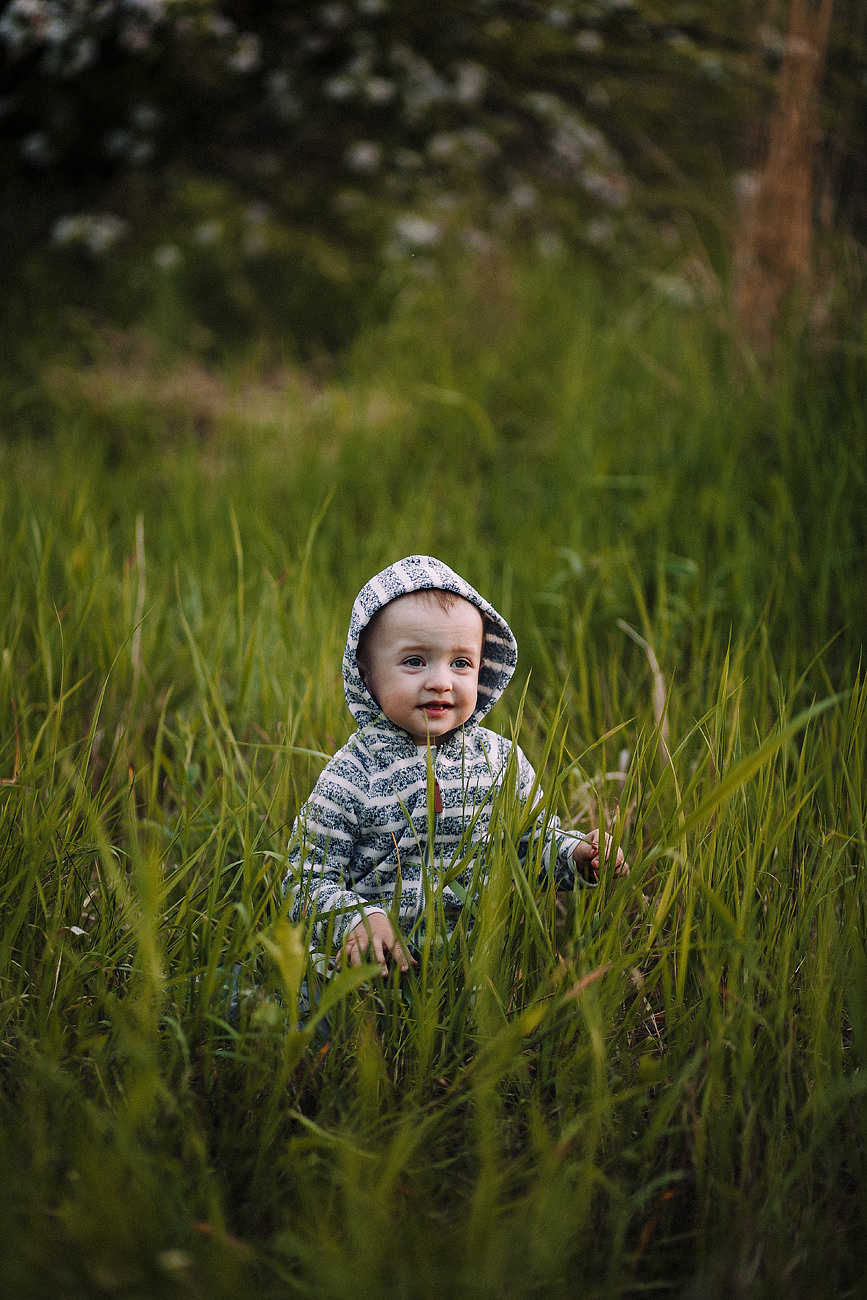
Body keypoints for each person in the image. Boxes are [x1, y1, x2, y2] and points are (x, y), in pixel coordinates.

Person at [285, 555, 625, 977]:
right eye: (415, 661)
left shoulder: (500, 762)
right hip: (372, 973)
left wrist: (575, 854)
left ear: (482, 669)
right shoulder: (353, 774)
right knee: (309, 1005)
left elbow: (529, 844)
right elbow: (304, 882)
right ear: (367, 675)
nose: (441, 681)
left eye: (460, 662)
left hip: (473, 977)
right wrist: (357, 919)